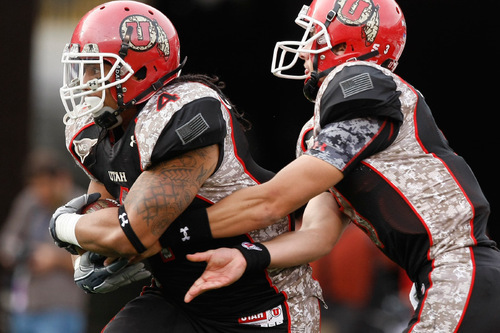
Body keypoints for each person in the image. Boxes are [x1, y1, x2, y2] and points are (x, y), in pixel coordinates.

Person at [177, 0, 500, 332]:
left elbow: (272, 202)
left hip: (458, 271)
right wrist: (249, 256)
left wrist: (176, 232)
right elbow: (317, 236)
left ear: (346, 41)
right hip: (444, 279)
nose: (304, 49)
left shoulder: (360, 81)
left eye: (313, 34)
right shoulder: (325, 133)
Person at [48, 1, 333, 332]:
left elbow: (129, 233)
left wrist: (61, 226)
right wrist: (85, 253)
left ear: (139, 70)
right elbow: (101, 211)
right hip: (177, 296)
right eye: (84, 68)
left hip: (257, 300)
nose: (86, 81)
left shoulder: (183, 115)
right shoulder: (96, 129)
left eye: (97, 69)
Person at [0, 149, 88, 333]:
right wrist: (20, 252)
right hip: (25, 307)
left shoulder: (82, 206)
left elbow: (96, 260)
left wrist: (55, 259)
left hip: (62, 309)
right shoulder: (29, 202)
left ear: (62, 178)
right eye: (36, 186)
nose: (42, 192)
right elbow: (7, 241)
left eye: (46, 185)